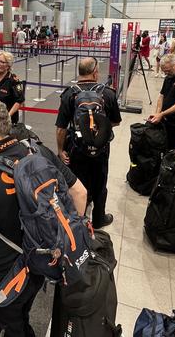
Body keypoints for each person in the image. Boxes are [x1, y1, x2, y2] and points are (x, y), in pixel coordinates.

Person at [0, 98, 87, 337]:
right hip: (39, 264)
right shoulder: (37, 150)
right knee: (20, 317)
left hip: (2, 278)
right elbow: (79, 192)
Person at [55, 57, 122, 229]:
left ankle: (78, 220)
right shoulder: (107, 93)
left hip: (76, 148)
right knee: (100, 183)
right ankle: (99, 219)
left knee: (77, 183)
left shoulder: (70, 94)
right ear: (95, 72)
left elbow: (61, 128)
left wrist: (61, 150)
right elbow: (115, 121)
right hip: (101, 148)